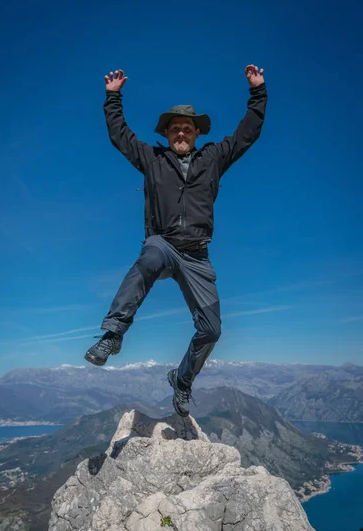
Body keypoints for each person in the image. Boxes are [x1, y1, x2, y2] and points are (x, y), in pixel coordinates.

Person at [85, 65, 268, 417]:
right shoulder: (152, 160)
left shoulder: (213, 158)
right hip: (164, 243)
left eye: (187, 128)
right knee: (150, 254)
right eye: (175, 129)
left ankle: (182, 380)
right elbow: (120, 135)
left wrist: (258, 93)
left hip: (197, 255)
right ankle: (113, 335)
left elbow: (247, 134)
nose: (181, 132)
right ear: (166, 134)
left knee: (211, 330)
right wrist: (113, 97)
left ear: (197, 132)